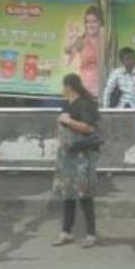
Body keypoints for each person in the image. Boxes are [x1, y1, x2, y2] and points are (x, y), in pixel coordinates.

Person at [52, 73, 100, 248]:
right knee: (67, 194)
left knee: (84, 194)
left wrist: (69, 120)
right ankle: (66, 232)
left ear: (69, 87)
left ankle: (91, 234)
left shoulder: (85, 104)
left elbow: (88, 127)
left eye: (63, 87)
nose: (62, 90)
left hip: (82, 155)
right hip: (67, 155)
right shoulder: (67, 104)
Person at [64, 5, 104, 98]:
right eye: (87, 22)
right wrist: (70, 42)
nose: (90, 25)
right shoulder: (81, 40)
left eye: (94, 21)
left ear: (100, 22)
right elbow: (67, 57)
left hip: (101, 89)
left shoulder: (104, 40)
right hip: (85, 89)